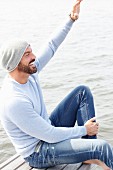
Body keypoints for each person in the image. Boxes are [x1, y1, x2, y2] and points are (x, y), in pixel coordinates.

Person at [0, 0, 112, 169]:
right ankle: (92, 150)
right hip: (38, 152)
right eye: (28, 54)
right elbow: (50, 135)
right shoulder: (14, 100)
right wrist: (84, 130)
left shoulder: (30, 72)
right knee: (102, 148)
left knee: (82, 92)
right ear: (16, 63)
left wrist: (71, 19)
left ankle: (88, 153)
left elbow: (51, 45)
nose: (34, 57)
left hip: (47, 131)